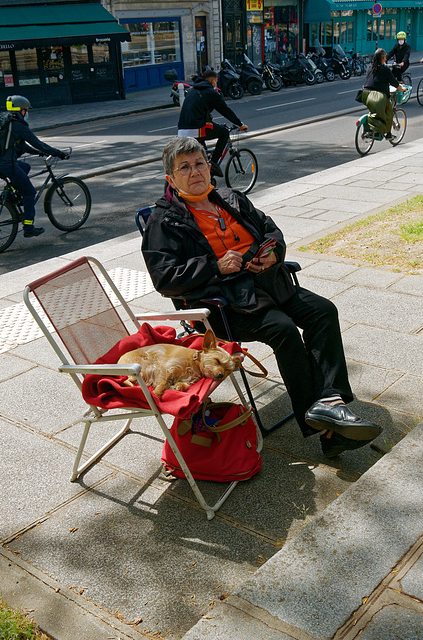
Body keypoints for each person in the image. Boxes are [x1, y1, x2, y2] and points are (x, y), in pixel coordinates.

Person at [142, 137, 383, 459]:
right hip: (224, 302)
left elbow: (271, 231)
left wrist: (273, 255)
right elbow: (165, 279)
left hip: (268, 282)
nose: (195, 171)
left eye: (199, 163)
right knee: (283, 330)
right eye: (184, 167)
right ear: (170, 179)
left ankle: (331, 402)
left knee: (323, 311)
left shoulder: (230, 197)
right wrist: (214, 266)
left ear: (209, 166)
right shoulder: (165, 220)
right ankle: (327, 430)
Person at [0, 95, 68, 238]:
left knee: (26, 167)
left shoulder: (7, 122)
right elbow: (37, 143)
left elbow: (22, 146)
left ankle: (10, 195)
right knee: (29, 192)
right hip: (7, 165)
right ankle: (28, 227)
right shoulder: (18, 125)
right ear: (21, 110)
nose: (27, 113)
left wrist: (37, 152)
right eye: (26, 110)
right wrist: (58, 153)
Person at [177, 69, 248, 178]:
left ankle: (205, 173)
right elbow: (225, 110)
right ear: (213, 81)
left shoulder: (192, 90)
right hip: (196, 128)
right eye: (216, 81)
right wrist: (240, 124)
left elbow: (196, 112)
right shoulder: (210, 92)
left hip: (182, 130)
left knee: (202, 155)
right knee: (224, 133)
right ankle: (214, 164)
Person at [362, 48, 405, 140]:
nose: (385, 58)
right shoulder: (385, 69)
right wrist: (402, 89)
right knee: (389, 112)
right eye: (385, 56)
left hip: (365, 95)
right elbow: (394, 82)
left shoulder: (370, 67)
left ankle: (372, 129)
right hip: (378, 96)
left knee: (374, 111)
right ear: (383, 57)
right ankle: (388, 134)